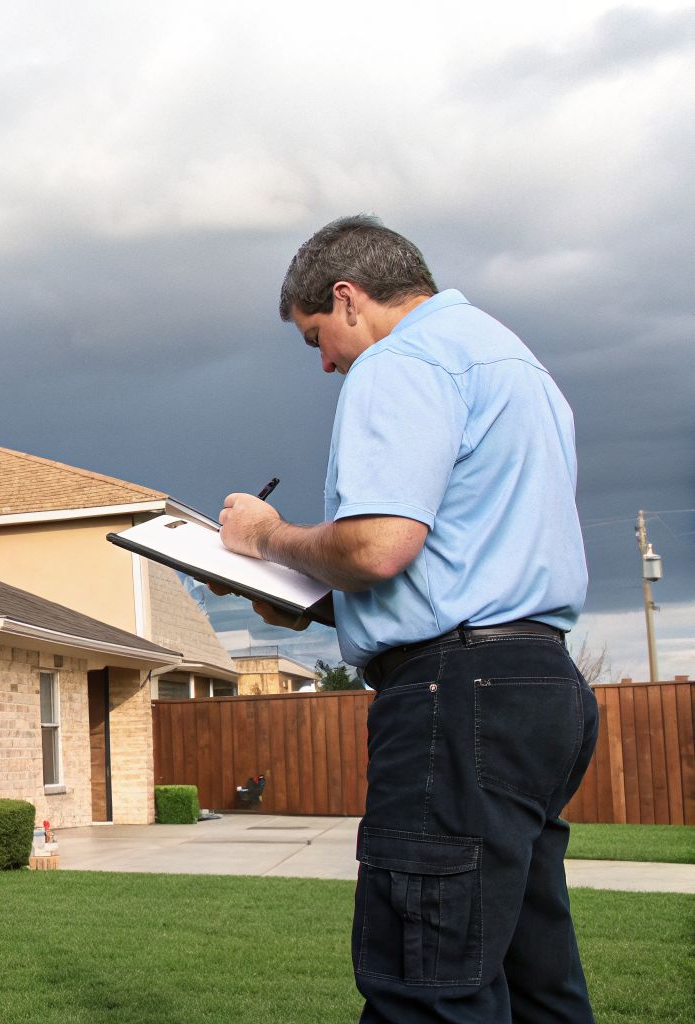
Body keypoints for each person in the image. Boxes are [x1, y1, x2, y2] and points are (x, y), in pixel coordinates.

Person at [217, 215, 598, 1023]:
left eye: (317, 337)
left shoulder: (400, 361)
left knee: (427, 984)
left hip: (455, 700)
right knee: (536, 982)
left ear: (348, 298)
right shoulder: (513, 362)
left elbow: (379, 545)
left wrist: (266, 537)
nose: (326, 362)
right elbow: (463, 567)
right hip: (540, 686)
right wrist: (314, 602)